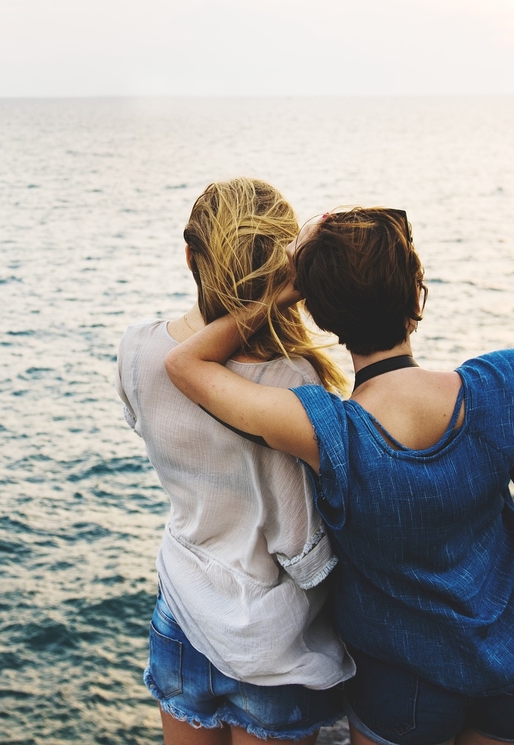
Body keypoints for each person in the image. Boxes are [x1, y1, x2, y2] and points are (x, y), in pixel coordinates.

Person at [164, 147, 514, 745]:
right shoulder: (500, 389)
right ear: (417, 298)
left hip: (402, 688)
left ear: (326, 318)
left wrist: (282, 294)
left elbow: (185, 365)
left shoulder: (325, 431)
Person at [116, 178, 356, 745]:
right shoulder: (292, 380)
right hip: (273, 640)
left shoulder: (137, 349)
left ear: (190, 256)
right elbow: (302, 544)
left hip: (181, 611)